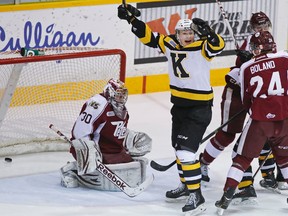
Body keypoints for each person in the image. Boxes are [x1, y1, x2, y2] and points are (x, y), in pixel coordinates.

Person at [118, 4, 225, 215]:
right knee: (178, 148)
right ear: (177, 34)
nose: (188, 36)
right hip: (179, 106)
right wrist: (131, 19)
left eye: (191, 33)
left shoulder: (203, 47)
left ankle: (197, 195)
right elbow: (148, 36)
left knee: (186, 152)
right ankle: (186, 185)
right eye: (184, 33)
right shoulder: (169, 43)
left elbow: (218, 46)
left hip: (199, 108)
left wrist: (210, 32)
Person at [199, 12, 284, 203]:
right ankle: (202, 164)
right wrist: (244, 61)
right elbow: (234, 75)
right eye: (258, 27)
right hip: (237, 94)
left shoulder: (270, 43)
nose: (262, 30)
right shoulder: (249, 44)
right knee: (228, 135)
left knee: (265, 135)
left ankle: (267, 176)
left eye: (265, 26)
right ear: (252, 28)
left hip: (257, 97)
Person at [215, 31, 288, 214]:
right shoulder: (285, 57)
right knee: (286, 159)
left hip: (260, 121)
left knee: (241, 159)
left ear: (259, 48)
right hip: (285, 119)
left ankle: (226, 197)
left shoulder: (247, 67)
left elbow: (246, 100)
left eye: (255, 47)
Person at [60, 78, 152, 191]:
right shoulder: (97, 104)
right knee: (87, 150)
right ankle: (72, 170)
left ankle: (114, 157)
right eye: (118, 95)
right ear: (109, 92)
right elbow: (80, 131)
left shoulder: (121, 108)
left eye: (123, 95)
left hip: (112, 149)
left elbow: (115, 129)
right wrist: (87, 151)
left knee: (143, 141)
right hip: (99, 150)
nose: (121, 98)